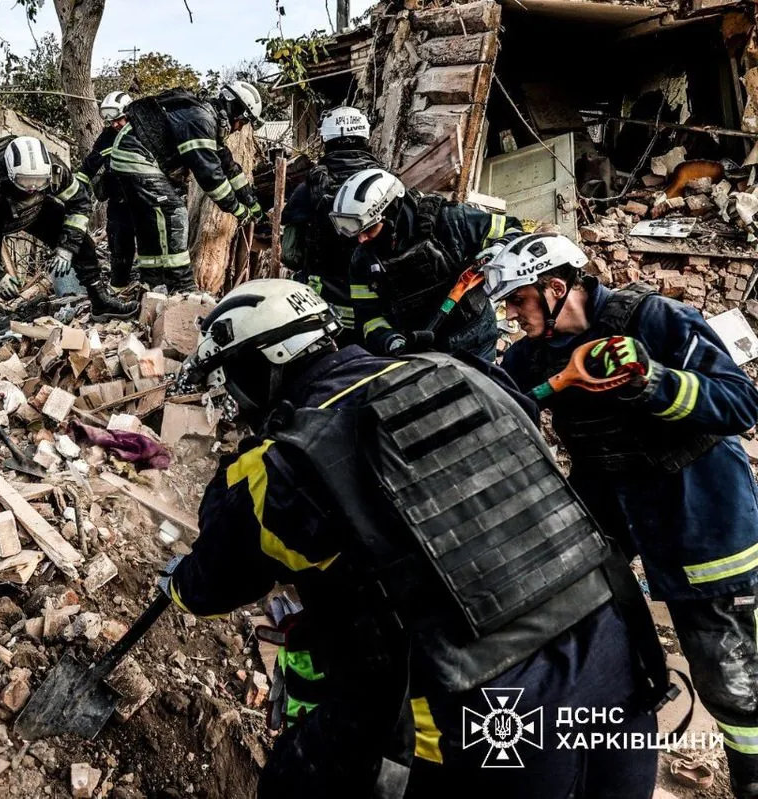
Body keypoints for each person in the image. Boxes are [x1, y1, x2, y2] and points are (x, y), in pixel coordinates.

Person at [167, 278, 666, 798]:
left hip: (486, 710)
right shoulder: (459, 371)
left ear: (262, 364)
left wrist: (176, 583)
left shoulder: (280, 464)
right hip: (617, 657)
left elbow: (214, 584)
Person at [488, 233, 758, 799]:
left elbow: (739, 404)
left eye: (518, 301)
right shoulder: (529, 356)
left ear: (555, 287)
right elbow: (501, 410)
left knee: (729, 679)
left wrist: (654, 380)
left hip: (701, 518)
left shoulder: (656, 320)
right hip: (608, 515)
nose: (512, 315)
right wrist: (558, 382)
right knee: (598, 642)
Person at [0, 135, 137, 354]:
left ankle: (101, 300)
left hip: (37, 210)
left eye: (39, 181)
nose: (33, 187)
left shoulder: (55, 169)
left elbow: (80, 203)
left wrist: (67, 248)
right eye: (26, 181)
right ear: (10, 173)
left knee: (81, 242)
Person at [329, 168, 522, 361]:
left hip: (475, 338)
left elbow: (513, 229)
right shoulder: (363, 259)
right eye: (357, 232)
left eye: (369, 228)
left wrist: (499, 248)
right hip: (423, 352)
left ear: (390, 213)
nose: (361, 239)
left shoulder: (450, 219)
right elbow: (368, 316)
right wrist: (390, 340)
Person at [110, 80, 264, 292]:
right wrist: (238, 210)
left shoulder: (204, 117)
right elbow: (211, 177)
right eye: (243, 121)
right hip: (135, 158)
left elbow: (228, 165)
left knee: (150, 222)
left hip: (127, 157)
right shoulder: (200, 121)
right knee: (174, 212)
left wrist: (252, 203)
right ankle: (182, 286)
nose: (239, 128)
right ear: (234, 109)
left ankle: (152, 281)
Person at [282, 106, 382, 342]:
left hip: (322, 313)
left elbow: (289, 255)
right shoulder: (388, 185)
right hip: (377, 318)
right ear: (365, 138)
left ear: (326, 140)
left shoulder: (308, 188)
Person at [75, 91, 137, 293]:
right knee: (118, 243)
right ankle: (119, 286)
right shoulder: (107, 137)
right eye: (111, 122)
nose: (115, 125)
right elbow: (89, 166)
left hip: (144, 199)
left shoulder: (143, 131)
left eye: (119, 120)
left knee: (151, 245)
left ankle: (153, 285)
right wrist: (74, 194)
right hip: (118, 200)